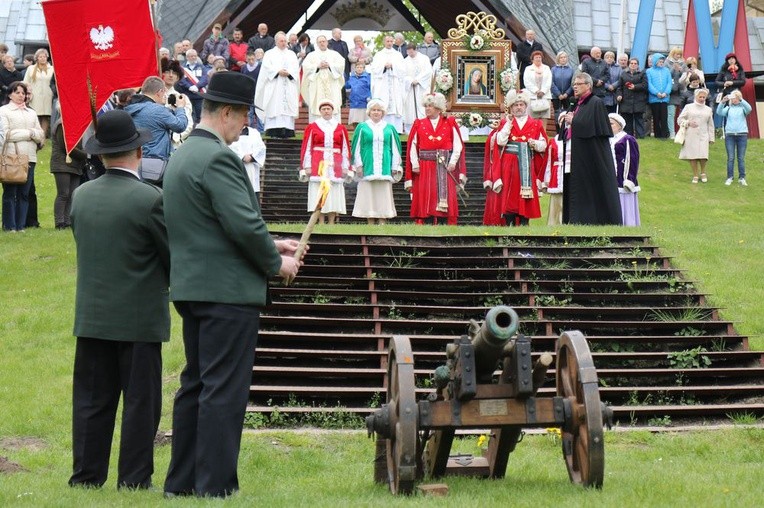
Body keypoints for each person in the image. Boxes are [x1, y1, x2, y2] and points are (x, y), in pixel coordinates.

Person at [162, 72, 302, 498]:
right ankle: (215, 486)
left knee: (197, 386)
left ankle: (181, 484)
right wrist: (276, 262)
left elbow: (214, 223)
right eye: (243, 117)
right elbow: (240, 225)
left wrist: (270, 239)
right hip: (226, 292)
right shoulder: (220, 158)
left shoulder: (184, 155)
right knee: (222, 391)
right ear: (226, 112)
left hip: (194, 288)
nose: (245, 126)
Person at [68, 109, 169, 490]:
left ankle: (87, 477)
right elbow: (169, 254)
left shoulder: (80, 196)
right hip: (139, 319)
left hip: (92, 316)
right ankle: (134, 479)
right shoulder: (149, 198)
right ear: (138, 153)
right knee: (140, 406)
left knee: (92, 403)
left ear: (101, 154)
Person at [562, 72, 621, 225]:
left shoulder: (596, 103)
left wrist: (574, 121)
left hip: (590, 155)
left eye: (578, 84)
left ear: (588, 85)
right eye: (574, 84)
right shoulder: (575, 103)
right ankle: (574, 219)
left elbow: (591, 127)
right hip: (575, 153)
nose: (575, 87)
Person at [405, 92, 466, 225]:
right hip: (425, 165)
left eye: (430, 106)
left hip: (444, 166)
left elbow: (458, 144)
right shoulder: (419, 123)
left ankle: (443, 223)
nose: (427, 109)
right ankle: (427, 222)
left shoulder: (449, 122)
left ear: (438, 108)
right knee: (427, 195)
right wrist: (415, 164)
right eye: (426, 106)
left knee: (443, 196)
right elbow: (412, 146)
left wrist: (453, 162)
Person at [492, 89, 547, 226]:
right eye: (515, 105)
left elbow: (544, 145)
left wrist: (535, 144)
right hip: (509, 164)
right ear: (511, 107)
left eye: (521, 104)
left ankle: (524, 221)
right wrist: (508, 125)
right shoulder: (506, 123)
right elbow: (499, 141)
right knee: (510, 193)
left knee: (525, 194)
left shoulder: (536, 123)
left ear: (526, 106)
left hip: (527, 163)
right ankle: (509, 221)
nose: (518, 107)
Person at [124, 76, 188, 183]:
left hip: (133, 162)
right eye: (164, 94)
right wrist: (180, 108)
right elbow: (180, 125)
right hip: (156, 164)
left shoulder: (130, 108)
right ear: (160, 92)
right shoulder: (158, 110)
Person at [1, 81, 44, 232]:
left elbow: (40, 135)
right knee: (10, 193)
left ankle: (20, 226)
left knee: (24, 193)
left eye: (23, 93)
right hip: (11, 157)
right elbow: (6, 134)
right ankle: (9, 225)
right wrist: (29, 133)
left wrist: (33, 134)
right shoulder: (4, 111)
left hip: (30, 157)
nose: (21, 96)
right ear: (10, 94)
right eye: (17, 92)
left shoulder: (31, 112)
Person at [299, 99, 351, 225]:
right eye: (324, 109)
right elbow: (307, 147)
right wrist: (307, 165)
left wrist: (345, 166)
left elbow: (345, 148)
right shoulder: (313, 126)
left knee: (333, 192)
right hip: (318, 162)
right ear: (320, 111)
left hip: (335, 163)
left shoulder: (340, 128)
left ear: (332, 111)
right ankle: (320, 220)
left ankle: (332, 221)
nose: (326, 111)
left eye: (328, 109)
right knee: (319, 192)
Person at [350, 98, 401, 224]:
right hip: (368, 165)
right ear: (369, 112)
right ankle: (370, 220)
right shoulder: (362, 127)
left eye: (379, 110)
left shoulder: (389, 128)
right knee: (368, 194)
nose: (376, 112)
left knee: (383, 194)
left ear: (383, 113)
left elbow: (395, 148)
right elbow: (356, 147)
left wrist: (395, 166)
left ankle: (382, 219)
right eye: (374, 110)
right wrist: (359, 165)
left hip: (384, 165)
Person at [255, 32, 300, 138]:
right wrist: (277, 71)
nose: (284, 43)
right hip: (275, 85)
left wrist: (289, 73)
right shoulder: (269, 54)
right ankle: (273, 131)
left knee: (287, 107)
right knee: (274, 105)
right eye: (281, 41)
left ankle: (287, 131)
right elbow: (266, 68)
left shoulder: (291, 54)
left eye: (285, 41)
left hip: (288, 84)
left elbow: (295, 68)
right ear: (276, 42)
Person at [50, 104, 86, 229]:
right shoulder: (61, 124)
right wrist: (86, 156)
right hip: (62, 164)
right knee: (63, 194)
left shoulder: (75, 124)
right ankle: (59, 222)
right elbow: (66, 147)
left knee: (71, 194)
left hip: (75, 164)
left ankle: (67, 221)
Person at [301, 35, 346, 123]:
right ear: (317, 44)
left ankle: (334, 127)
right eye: (320, 42)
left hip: (331, 84)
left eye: (323, 41)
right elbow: (306, 67)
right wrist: (317, 66)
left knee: (334, 105)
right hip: (317, 86)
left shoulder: (335, 54)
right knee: (316, 106)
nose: (322, 43)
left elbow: (341, 66)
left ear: (327, 42)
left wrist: (330, 65)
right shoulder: (311, 55)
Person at [608, 113, 641, 226]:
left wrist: (629, 179)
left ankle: (628, 224)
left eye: (611, 123)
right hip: (610, 176)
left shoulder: (627, 139)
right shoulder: (608, 139)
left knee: (624, 202)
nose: (609, 125)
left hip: (623, 177)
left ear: (619, 126)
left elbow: (632, 159)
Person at [677, 88, 714, 184]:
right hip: (691, 134)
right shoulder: (688, 107)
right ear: (696, 97)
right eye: (700, 97)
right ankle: (695, 175)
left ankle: (703, 172)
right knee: (692, 155)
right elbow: (679, 119)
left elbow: (710, 124)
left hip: (703, 134)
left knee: (703, 155)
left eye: (703, 97)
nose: (702, 99)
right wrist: (688, 122)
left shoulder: (708, 109)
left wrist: (712, 137)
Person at [370, 35, 406, 133]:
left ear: (393, 42)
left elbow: (403, 69)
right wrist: (384, 66)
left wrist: (393, 66)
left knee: (395, 104)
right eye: (387, 41)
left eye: (391, 41)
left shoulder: (398, 55)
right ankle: (382, 128)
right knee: (383, 104)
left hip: (394, 84)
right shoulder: (379, 55)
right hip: (383, 84)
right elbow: (374, 69)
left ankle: (396, 129)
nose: (389, 43)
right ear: (384, 42)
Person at [716, 90, 751, 187]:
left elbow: (749, 108)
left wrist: (741, 99)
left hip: (742, 135)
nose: (734, 100)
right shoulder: (728, 108)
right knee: (730, 158)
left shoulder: (743, 108)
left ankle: (742, 178)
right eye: (733, 98)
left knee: (741, 158)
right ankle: (730, 177)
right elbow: (719, 112)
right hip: (730, 135)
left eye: (736, 98)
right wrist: (723, 102)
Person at [228, 122, 267, 199]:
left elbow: (261, 148)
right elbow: (228, 147)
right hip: (235, 168)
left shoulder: (254, 133)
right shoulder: (229, 132)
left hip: (252, 168)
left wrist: (252, 157)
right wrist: (242, 156)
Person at [22, 48, 54, 137]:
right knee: (35, 115)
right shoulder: (31, 68)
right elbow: (26, 82)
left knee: (45, 116)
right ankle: (35, 134)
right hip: (35, 96)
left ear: (47, 57)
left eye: (44, 56)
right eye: (40, 57)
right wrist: (27, 94)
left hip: (48, 96)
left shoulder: (52, 68)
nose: (43, 58)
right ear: (37, 58)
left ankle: (42, 135)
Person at [402, 44, 432, 132]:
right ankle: (410, 128)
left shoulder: (424, 58)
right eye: (408, 52)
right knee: (410, 107)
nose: (410, 54)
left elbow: (428, 71)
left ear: (415, 50)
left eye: (411, 52)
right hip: (410, 89)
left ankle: (424, 126)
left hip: (422, 87)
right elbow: (403, 75)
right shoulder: (405, 61)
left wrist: (418, 80)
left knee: (422, 105)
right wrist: (410, 80)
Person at [616, 58, 648, 138]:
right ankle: (628, 136)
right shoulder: (623, 74)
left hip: (639, 100)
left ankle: (640, 136)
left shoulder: (642, 74)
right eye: (632, 63)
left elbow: (645, 85)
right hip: (626, 101)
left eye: (635, 63)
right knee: (627, 120)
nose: (633, 65)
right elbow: (619, 87)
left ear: (638, 65)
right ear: (629, 64)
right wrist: (619, 95)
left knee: (639, 120)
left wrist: (635, 87)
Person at [177, 49, 210, 124]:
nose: (194, 58)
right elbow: (181, 80)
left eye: (195, 56)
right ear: (187, 57)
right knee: (189, 116)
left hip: (199, 96)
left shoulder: (201, 67)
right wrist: (189, 87)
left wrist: (197, 86)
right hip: (187, 96)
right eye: (192, 56)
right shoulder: (182, 68)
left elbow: (205, 78)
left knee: (200, 117)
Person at [646, 53, 671, 138]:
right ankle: (657, 134)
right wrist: (657, 93)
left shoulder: (666, 70)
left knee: (664, 117)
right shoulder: (649, 71)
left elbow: (669, 83)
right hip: (654, 98)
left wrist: (665, 93)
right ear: (655, 61)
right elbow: (649, 84)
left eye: (662, 61)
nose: (661, 63)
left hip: (664, 98)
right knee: (656, 117)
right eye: (659, 61)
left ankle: (665, 134)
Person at [523, 50, 552, 119]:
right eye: (536, 57)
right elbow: (526, 82)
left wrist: (543, 91)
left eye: (540, 57)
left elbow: (549, 81)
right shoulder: (528, 69)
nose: (538, 59)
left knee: (544, 118)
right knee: (532, 119)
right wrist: (536, 91)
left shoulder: (547, 68)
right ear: (532, 59)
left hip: (545, 96)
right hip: (532, 96)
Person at [551, 51, 574, 120]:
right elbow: (551, 82)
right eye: (561, 57)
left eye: (564, 57)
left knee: (567, 113)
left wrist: (566, 93)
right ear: (558, 59)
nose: (563, 59)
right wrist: (558, 94)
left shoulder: (571, 70)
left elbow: (572, 83)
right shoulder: (553, 69)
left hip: (567, 96)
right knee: (557, 114)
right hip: (556, 96)